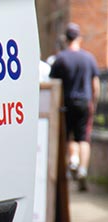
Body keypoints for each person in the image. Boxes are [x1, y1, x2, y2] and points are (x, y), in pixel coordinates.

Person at [50, 22, 100, 191]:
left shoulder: (60, 59)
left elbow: (53, 84)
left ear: (66, 39)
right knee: (83, 138)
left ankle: (73, 160)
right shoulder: (89, 58)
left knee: (70, 137)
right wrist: (93, 102)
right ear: (79, 38)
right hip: (84, 102)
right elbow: (95, 84)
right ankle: (83, 170)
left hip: (66, 102)